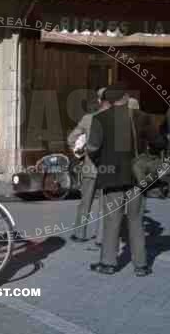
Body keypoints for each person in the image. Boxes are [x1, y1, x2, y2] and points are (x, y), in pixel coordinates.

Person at [86, 83, 157, 277]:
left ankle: (108, 263)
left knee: (111, 220)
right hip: (137, 175)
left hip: (111, 176)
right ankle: (141, 265)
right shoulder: (141, 117)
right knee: (136, 220)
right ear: (126, 97)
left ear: (108, 101)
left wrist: (102, 163)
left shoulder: (100, 119)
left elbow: (92, 148)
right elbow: (158, 141)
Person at [68, 87, 110, 243]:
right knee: (105, 204)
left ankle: (80, 233)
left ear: (99, 101)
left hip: (90, 166)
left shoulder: (88, 118)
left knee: (85, 201)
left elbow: (72, 139)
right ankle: (101, 238)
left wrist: (82, 153)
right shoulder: (118, 119)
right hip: (110, 169)